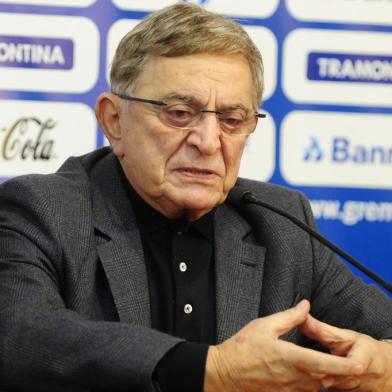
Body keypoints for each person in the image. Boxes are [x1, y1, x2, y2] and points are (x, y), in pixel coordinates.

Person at [0, 3, 391, 391]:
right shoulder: (42, 210)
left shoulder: (280, 222)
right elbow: (18, 336)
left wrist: (382, 362)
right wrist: (212, 369)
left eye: (231, 120)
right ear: (113, 121)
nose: (207, 142)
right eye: (179, 113)